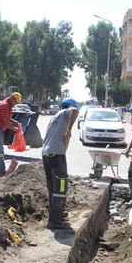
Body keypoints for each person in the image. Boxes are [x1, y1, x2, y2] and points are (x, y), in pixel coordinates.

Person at [42, 98, 79, 229]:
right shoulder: (65, 113)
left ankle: (54, 215)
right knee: (61, 187)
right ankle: (55, 221)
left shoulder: (53, 118)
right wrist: (69, 130)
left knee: (53, 187)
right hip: (57, 155)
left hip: (46, 155)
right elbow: (74, 111)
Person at [0, 92, 22, 176]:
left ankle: (1, 170)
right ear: (12, 98)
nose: (15, 104)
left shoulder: (8, 105)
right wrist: (15, 129)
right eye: (16, 102)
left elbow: (7, 117)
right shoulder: (5, 105)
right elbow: (6, 122)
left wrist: (14, 122)